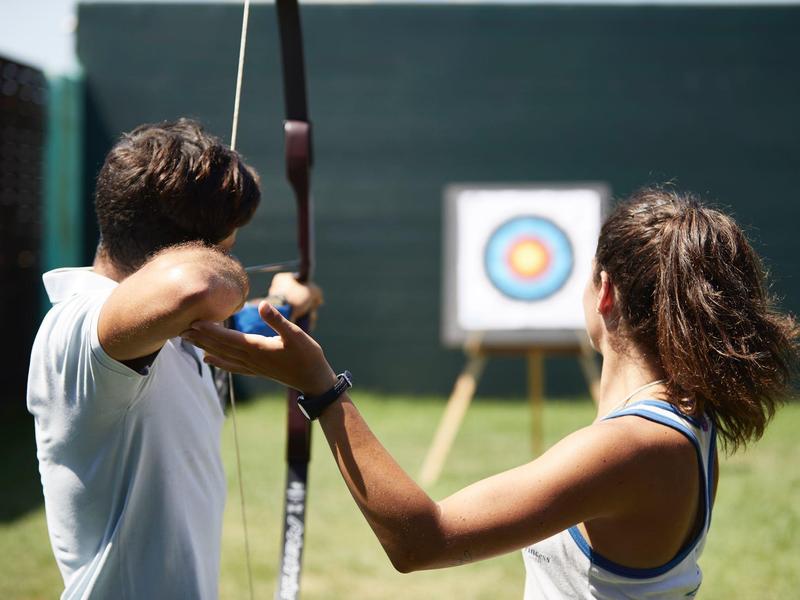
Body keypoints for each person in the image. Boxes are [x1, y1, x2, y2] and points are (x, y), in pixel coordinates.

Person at [184, 188, 798, 599]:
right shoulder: (681, 415)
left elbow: (424, 541)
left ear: (604, 292)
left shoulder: (637, 445)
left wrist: (321, 388)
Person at [26, 119, 321, 599]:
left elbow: (212, 332)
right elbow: (199, 286)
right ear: (202, 247)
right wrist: (221, 259)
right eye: (231, 237)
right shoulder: (79, 329)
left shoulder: (159, 334)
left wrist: (285, 306)